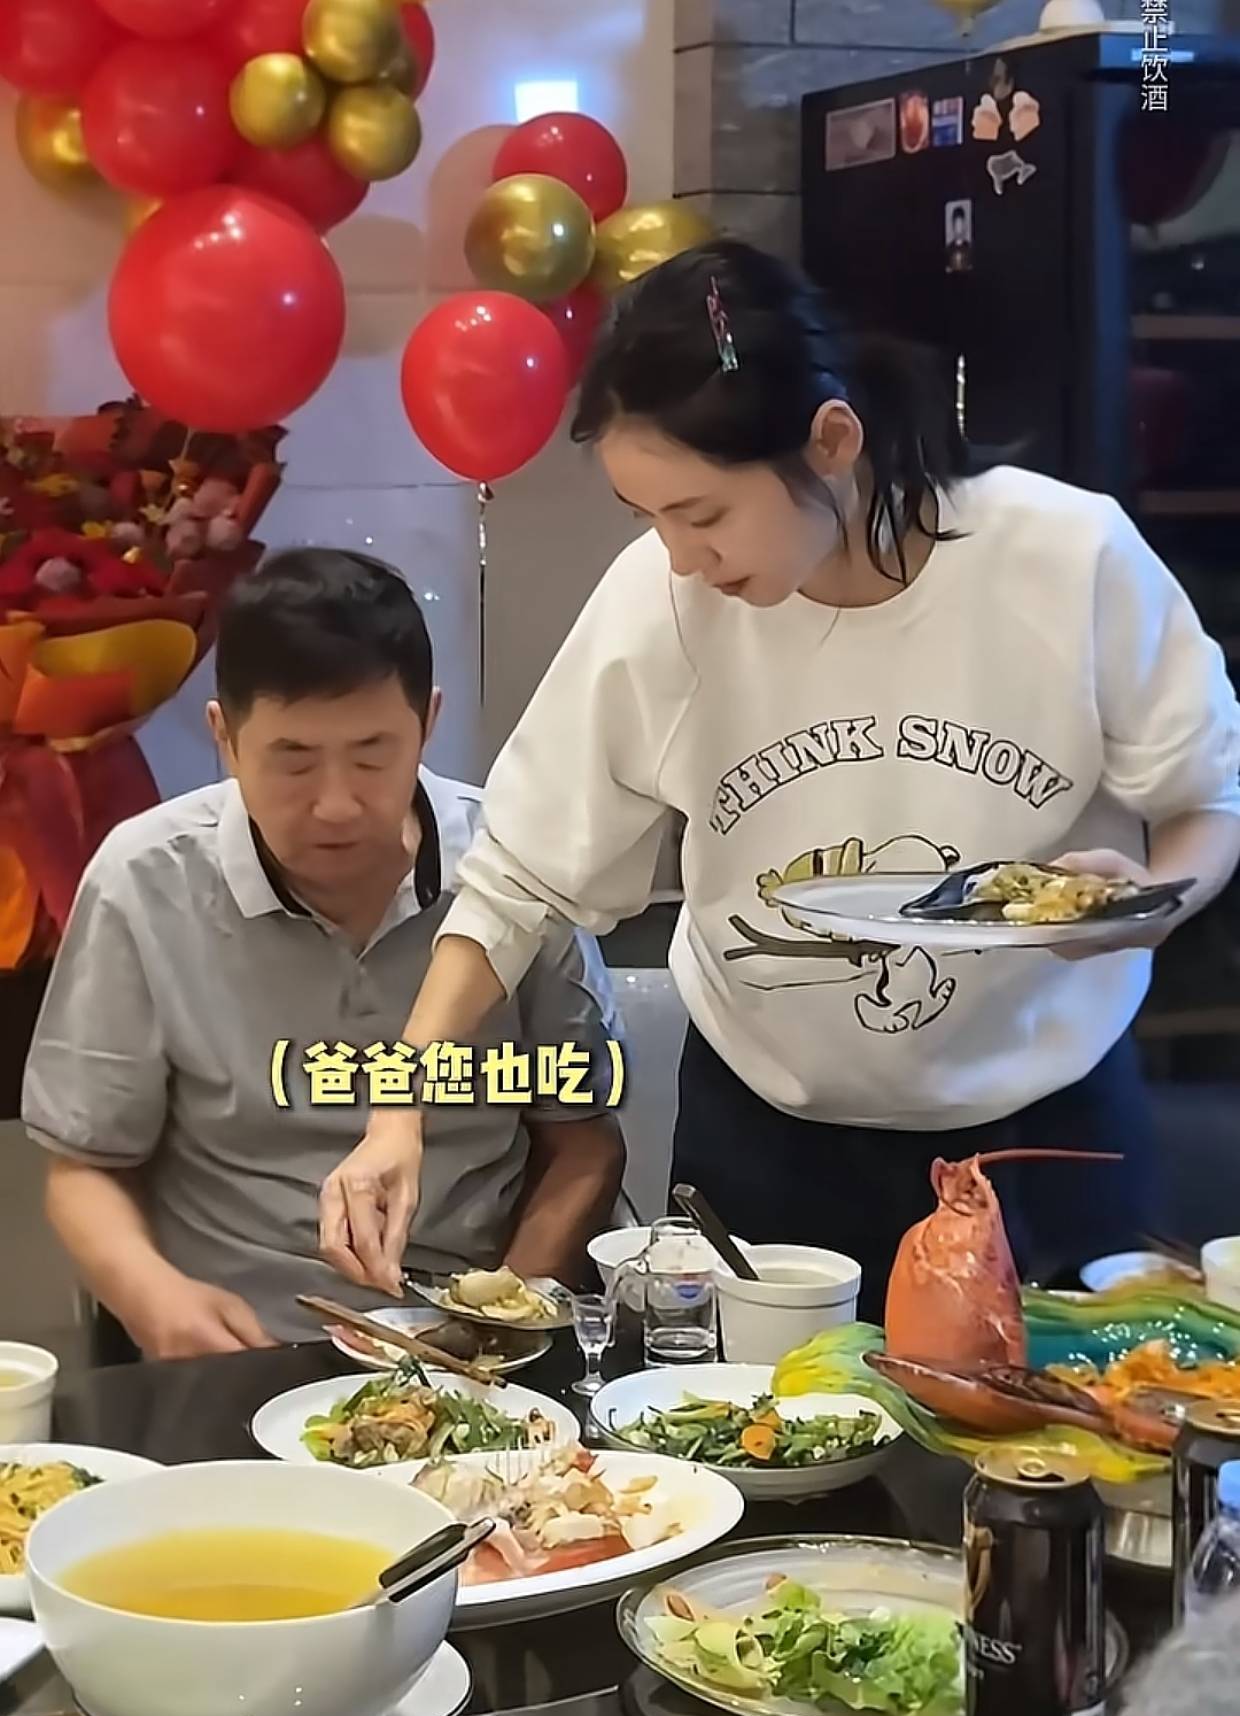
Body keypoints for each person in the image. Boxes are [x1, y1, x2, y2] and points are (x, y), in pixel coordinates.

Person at [318, 240, 1240, 1319]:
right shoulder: (661, 601)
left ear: (831, 440)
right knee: (752, 1421)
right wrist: (398, 1110)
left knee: (1075, 1416)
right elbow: (516, 880)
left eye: (703, 514)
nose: (679, 557)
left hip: (1047, 1131)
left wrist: (1146, 903)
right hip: (768, 1146)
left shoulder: (1067, 556)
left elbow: (1204, 804)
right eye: (649, 518)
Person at [22, 550, 624, 1357]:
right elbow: (83, 1167)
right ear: (225, 738)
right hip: (246, 1343)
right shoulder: (145, 882)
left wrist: (502, 1323)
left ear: (429, 723)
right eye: (293, 760)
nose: (336, 804)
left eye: (372, 755)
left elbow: (584, 1143)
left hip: (467, 1340)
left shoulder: (512, 873)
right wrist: (156, 1299)